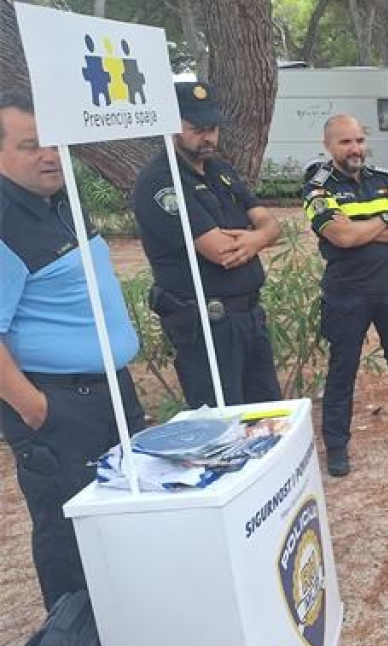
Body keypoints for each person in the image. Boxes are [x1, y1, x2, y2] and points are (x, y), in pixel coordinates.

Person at [0, 91, 146, 610]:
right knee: (70, 533)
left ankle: (129, 627)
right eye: (31, 144)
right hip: (59, 408)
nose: (50, 154)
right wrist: (35, 410)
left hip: (112, 392)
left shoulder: (62, 204)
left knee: (126, 517)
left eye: (57, 142)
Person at [303, 114, 388, 477]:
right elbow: (341, 237)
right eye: (345, 142)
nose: (355, 149)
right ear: (328, 146)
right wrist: (384, 220)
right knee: (342, 370)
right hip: (347, 294)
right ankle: (336, 445)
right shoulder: (318, 184)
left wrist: (361, 226)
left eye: (359, 140)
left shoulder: (386, 179)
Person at [133, 80, 283, 409]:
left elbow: (273, 225)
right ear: (171, 127)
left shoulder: (220, 170)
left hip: (248, 316)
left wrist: (256, 237)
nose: (208, 137)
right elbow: (221, 252)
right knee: (224, 425)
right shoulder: (161, 182)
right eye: (197, 129)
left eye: (212, 128)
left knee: (268, 415)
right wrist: (255, 235)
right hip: (207, 325)